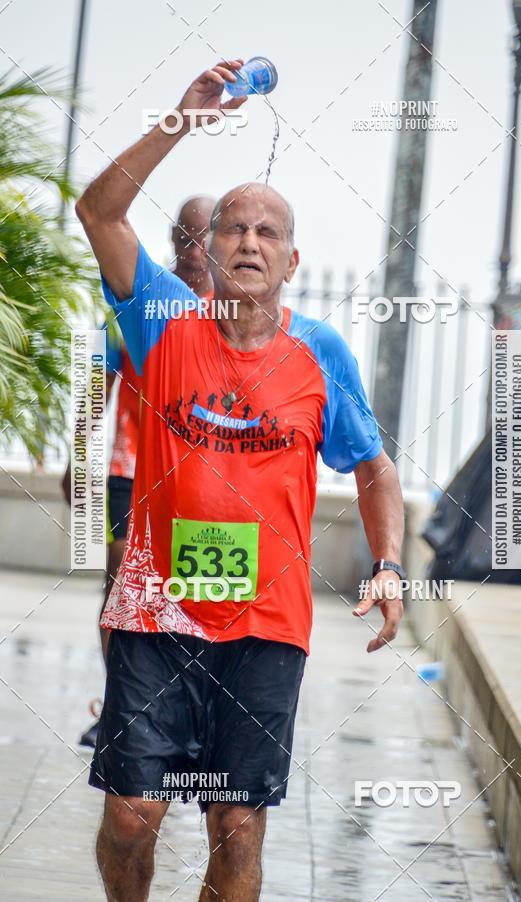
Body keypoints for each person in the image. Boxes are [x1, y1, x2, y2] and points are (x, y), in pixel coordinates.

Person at [76, 59, 405, 902]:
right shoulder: (159, 322)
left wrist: (390, 562)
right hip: (156, 608)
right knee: (130, 817)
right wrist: (185, 118)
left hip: (265, 625)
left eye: (268, 233)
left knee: (237, 826)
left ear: (293, 259)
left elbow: (373, 469)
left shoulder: (319, 354)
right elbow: (98, 210)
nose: (250, 242)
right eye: (233, 229)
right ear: (208, 248)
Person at [63, 196, 216, 748]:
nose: (196, 250)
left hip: (199, 483)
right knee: (120, 591)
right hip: (131, 469)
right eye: (187, 237)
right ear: (173, 239)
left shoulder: (229, 312)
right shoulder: (138, 300)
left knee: (191, 597)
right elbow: (96, 386)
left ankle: (179, 715)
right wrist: (76, 457)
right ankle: (119, 711)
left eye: (206, 238)